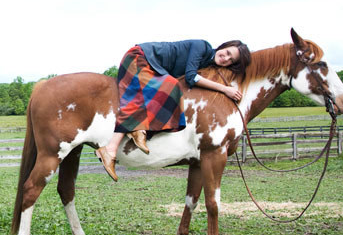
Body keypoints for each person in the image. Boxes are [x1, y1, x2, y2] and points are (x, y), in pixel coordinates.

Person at [96, 39, 251, 181]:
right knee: (170, 86)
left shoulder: (206, 65)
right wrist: (225, 89)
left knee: (161, 96)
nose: (225, 59)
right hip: (140, 58)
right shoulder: (202, 46)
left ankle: (133, 134)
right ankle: (113, 147)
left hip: (153, 68)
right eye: (228, 53)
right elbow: (190, 77)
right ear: (223, 46)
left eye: (230, 61)